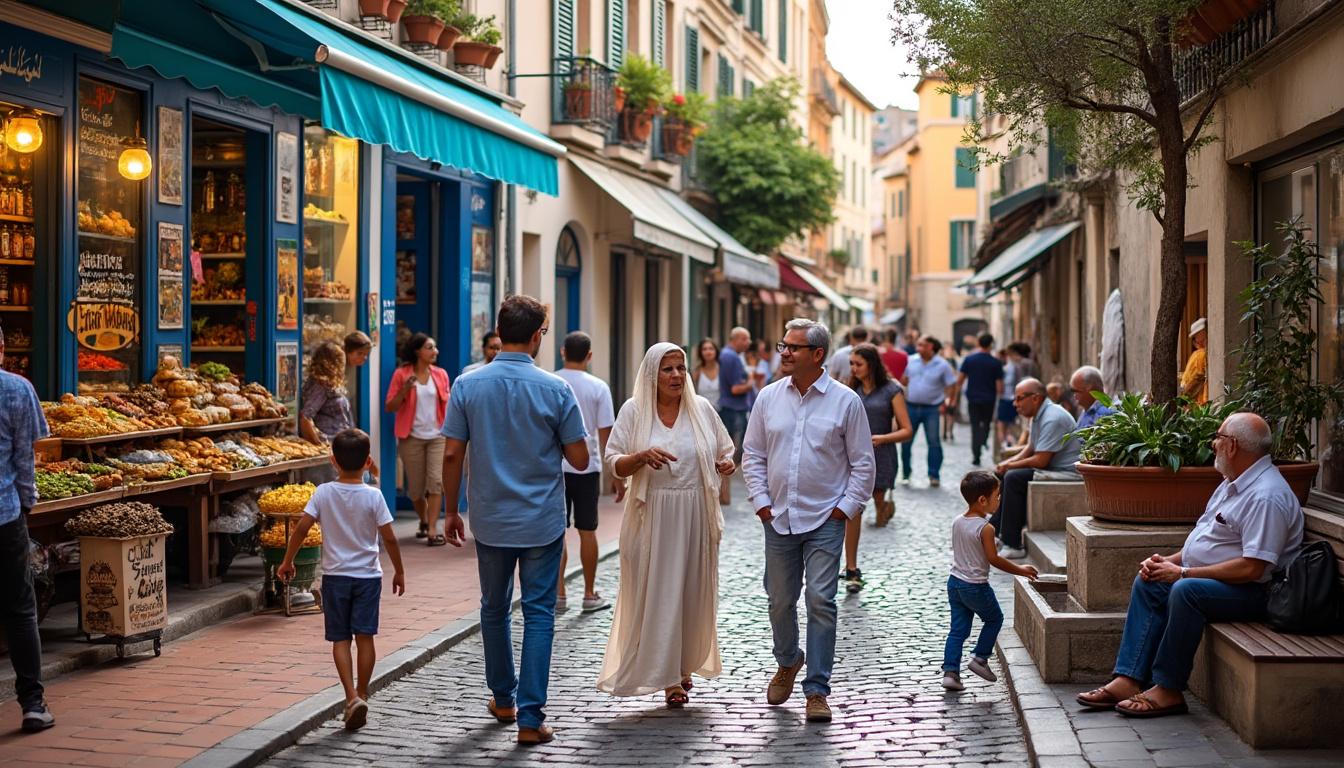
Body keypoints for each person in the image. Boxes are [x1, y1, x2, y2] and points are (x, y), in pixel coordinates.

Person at [1075, 412, 1302, 719]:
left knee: (1186, 591)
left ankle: (1168, 688)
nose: (1213, 444)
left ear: (1232, 446)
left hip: (1257, 592)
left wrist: (1183, 573)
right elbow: (1205, 539)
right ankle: (1129, 678)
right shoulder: (1233, 482)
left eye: (1218, 438)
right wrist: (1167, 562)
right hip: (1224, 582)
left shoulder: (1266, 496)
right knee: (1150, 581)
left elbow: (1253, 568)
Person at [439, 294, 589, 745]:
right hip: (542, 518)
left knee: (494, 607)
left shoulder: (468, 384)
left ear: (500, 330)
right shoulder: (557, 389)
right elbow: (580, 459)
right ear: (539, 333)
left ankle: (502, 698)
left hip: (490, 517)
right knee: (539, 613)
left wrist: (450, 510)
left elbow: (451, 453)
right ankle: (530, 718)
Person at [743, 318, 875, 724]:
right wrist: (762, 503)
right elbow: (753, 455)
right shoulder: (767, 397)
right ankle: (788, 660)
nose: (783, 352)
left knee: (822, 601)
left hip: (825, 518)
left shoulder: (845, 402)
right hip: (778, 516)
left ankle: (817, 689)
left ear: (817, 355)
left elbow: (863, 464)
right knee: (780, 600)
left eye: (793, 348)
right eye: (783, 345)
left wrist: (843, 509)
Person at [599, 343, 735, 707]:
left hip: (694, 514)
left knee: (690, 591)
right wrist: (640, 457)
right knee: (657, 593)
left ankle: (683, 665)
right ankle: (667, 676)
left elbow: (725, 449)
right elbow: (613, 462)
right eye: (667, 369)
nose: (677, 375)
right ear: (651, 374)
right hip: (652, 516)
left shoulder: (701, 408)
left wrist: (725, 465)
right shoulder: (634, 411)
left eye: (681, 368)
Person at [276, 429, 405, 731]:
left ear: (333, 461)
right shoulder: (374, 496)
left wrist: (287, 560)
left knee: (340, 640)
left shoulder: (323, 492)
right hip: (368, 578)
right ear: (368, 462)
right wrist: (399, 570)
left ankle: (350, 697)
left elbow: (302, 528)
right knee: (365, 637)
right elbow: (390, 538)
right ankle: (362, 693)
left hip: (335, 578)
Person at [0, 327, 54, 732]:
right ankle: (32, 704)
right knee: (21, 610)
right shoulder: (18, 390)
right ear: (2, 349)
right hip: (5, 515)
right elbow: (24, 462)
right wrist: (27, 505)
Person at [941, 471, 1038, 692]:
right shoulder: (986, 528)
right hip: (975, 586)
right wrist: (1020, 570)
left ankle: (950, 672)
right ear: (983, 500)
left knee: (957, 630)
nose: (1000, 499)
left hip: (954, 583)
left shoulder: (958, 521)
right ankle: (980, 657)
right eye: (997, 495)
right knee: (995, 619)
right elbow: (993, 559)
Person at [554, 332, 618, 614]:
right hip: (587, 466)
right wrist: (615, 473)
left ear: (562, 352)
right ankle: (590, 594)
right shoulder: (599, 387)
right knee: (587, 530)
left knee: (558, 532)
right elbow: (607, 434)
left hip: (556, 466)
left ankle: (559, 593)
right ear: (589, 355)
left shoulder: (552, 382)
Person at [843, 343, 913, 594]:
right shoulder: (850, 389)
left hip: (881, 454)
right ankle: (851, 568)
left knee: (877, 497)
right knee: (854, 507)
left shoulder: (892, 390)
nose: (853, 368)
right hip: (852, 457)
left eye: (858, 364)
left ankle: (883, 507)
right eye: (851, 363)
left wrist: (882, 438)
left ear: (871, 364)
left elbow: (907, 429)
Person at [990, 378, 1083, 559]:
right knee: (1004, 474)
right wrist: (1005, 465)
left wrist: (1010, 465)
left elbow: (1041, 460)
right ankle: (996, 529)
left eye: (1019, 398)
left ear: (1035, 398)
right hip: (1052, 468)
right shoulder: (1039, 415)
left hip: (1067, 473)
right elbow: (1030, 448)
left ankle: (1012, 543)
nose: (1015, 404)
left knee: (1014, 478)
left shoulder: (1053, 417)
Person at [385, 333, 451, 545]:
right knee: (415, 489)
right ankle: (423, 520)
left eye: (435, 348)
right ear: (417, 351)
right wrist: (405, 389)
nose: (435, 352)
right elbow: (390, 407)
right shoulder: (401, 374)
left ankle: (433, 529)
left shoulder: (441, 374)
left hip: (437, 436)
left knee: (436, 482)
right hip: (411, 437)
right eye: (430, 347)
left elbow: (447, 405)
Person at [900, 335, 958, 488]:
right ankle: (906, 473)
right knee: (906, 442)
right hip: (910, 406)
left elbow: (952, 385)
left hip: (932, 408)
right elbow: (904, 380)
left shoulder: (942, 364)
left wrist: (948, 402)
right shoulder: (911, 360)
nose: (918, 348)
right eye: (918, 345)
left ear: (931, 347)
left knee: (933, 443)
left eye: (921, 345)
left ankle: (934, 475)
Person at [955, 334, 1004, 467]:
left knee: (975, 426)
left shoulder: (969, 359)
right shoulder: (995, 362)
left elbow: (960, 380)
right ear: (991, 345)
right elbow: (1000, 387)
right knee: (986, 424)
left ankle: (976, 455)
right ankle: (983, 440)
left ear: (978, 343)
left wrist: (955, 397)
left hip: (973, 398)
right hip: (989, 399)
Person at [717, 327, 753, 505]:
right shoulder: (730, 357)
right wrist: (751, 383)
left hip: (732, 408)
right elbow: (735, 388)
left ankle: (725, 490)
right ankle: (724, 489)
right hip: (733, 409)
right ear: (736, 339)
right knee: (733, 450)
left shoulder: (729, 355)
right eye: (746, 339)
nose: (749, 343)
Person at [1071, 365, 1114, 430]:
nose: (1074, 395)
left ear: (1090, 389)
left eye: (1076, 391)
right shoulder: (1088, 410)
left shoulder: (1104, 413)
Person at [996, 348, 1019, 458]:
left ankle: (1005, 448)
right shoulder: (1011, 366)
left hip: (1006, 398)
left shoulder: (1008, 367)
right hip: (1010, 398)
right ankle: (1007, 447)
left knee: (1003, 426)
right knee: (1008, 426)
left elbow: (1006, 383)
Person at [1180, 318, 1209, 404]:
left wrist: (1183, 398)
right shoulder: (1200, 353)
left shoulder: (1200, 354)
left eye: (1195, 336)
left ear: (1202, 332)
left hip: (1199, 403)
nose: (1195, 340)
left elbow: (1197, 378)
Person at [693, 338, 721, 404]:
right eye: (704, 349)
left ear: (716, 351)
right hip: (702, 411)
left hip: (721, 412)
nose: (708, 352)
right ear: (700, 352)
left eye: (711, 349)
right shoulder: (697, 371)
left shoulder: (722, 369)